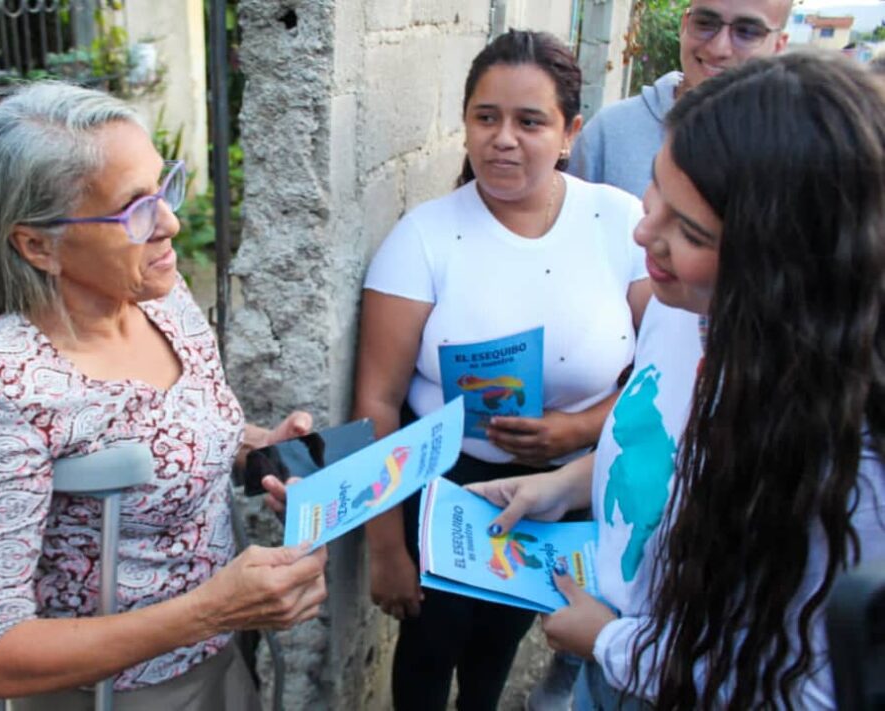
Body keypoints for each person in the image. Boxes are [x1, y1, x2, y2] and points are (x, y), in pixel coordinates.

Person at [471, 52, 885, 709]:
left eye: (689, 230)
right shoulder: (678, 303)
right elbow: (669, 437)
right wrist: (569, 481)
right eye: (656, 191)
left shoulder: (849, 463)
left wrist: (613, 644)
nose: (644, 234)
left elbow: (808, 691)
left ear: (780, 263)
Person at [0, 81, 328, 710]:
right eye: (135, 209)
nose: (171, 222)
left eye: (165, 187)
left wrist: (257, 452)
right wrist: (210, 611)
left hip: (222, 661)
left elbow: (173, 432)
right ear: (38, 244)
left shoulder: (164, 302)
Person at [355, 30, 652, 710]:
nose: (503, 139)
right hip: (445, 487)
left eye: (530, 121)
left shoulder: (618, 222)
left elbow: (657, 376)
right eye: (486, 117)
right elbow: (377, 398)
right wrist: (385, 546)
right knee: (431, 648)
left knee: (501, 642)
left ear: (571, 132)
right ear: (464, 123)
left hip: (566, 484)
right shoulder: (423, 237)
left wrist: (575, 427)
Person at [570, 0, 791, 197]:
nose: (718, 48)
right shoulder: (610, 133)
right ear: (685, 24)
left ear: (778, 46)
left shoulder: (793, 153)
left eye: (747, 31)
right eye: (705, 23)